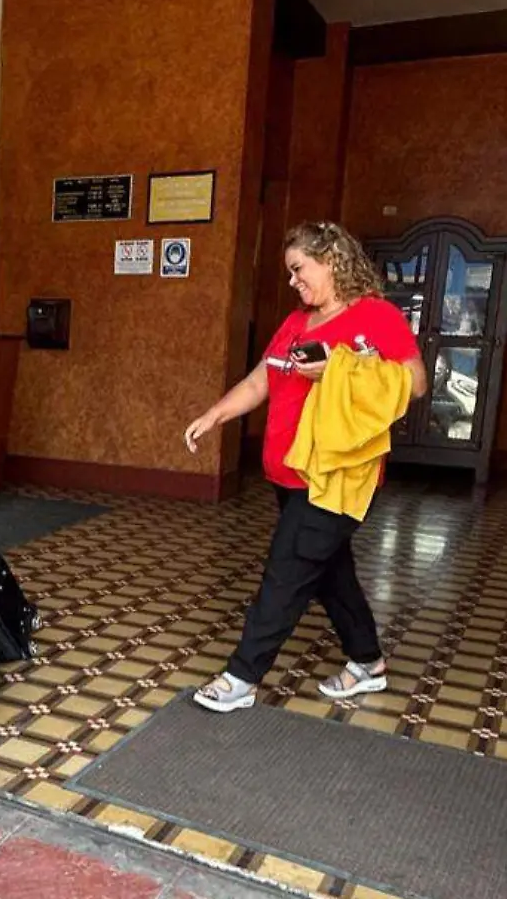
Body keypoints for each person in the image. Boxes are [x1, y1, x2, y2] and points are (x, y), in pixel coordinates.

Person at [183, 221, 427, 713]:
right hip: (289, 476)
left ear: (332, 260)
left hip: (336, 477)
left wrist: (340, 367)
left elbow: (415, 383)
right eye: (290, 273)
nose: (293, 281)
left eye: (299, 269)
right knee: (329, 571)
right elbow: (261, 380)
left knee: (288, 568)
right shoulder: (297, 322)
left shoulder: (376, 316)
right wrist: (215, 415)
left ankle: (240, 678)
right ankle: (368, 664)